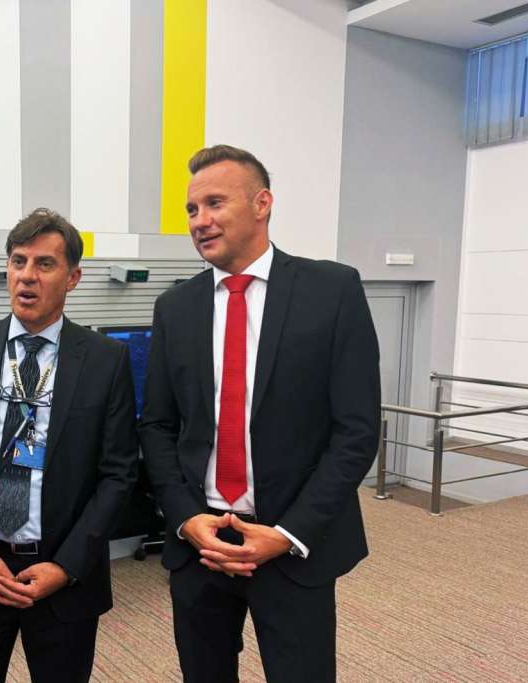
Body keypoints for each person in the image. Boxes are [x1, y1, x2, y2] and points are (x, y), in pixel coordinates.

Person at [138, 145, 381, 682]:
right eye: (191, 209)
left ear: (262, 203)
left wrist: (288, 533)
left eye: (214, 203)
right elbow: (157, 426)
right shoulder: (175, 307)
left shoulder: (332, 291)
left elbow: (356, 432)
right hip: (201, 545)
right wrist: (185, 518)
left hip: (291, 547)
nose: (199, 221)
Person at [0, 208, 139, 683]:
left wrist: (65, 567)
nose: (27, 276)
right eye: (18, 261)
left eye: (45, 264)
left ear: (73, 278)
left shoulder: (106, 361)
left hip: (64, 573)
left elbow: (118, 474)